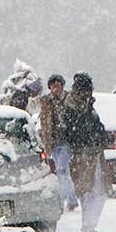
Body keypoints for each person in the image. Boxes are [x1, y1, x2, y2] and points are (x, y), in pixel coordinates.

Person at [63, 72, 109, 232]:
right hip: (81, 155)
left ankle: (89, 226)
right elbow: (74, 131)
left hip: (93, 153)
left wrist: (102, 138)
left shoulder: (87, 107)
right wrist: (92, 139)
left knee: (99, 192)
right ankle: (87, 228)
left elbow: (97, 127)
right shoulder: (73, 108)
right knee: (88, 193)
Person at [39, 73, 75, 212]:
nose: (56, 88)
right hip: (52, 142)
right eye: (53, 86)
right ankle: (68, 198)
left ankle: (67, 199)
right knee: (60, 172)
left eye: (59, 85)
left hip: (66, 141)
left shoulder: (69, 99)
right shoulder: (46, 102)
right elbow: (44, 123)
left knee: (62, 170)